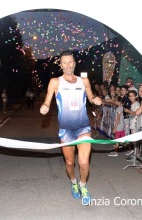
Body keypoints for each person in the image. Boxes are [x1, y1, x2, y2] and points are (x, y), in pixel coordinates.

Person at [40, 50, 102, 205]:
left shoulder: (84, 81)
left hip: (83, 127)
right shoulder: (55, 82)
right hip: (66, 129)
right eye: (64, 62)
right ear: (61, 65)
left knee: (83, 162)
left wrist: (96, 100)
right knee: (69, 163)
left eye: (70, 62)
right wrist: (45, 107)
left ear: (74, 64)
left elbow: (91, 97)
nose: (68, 65)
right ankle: (74, 182)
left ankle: (83, 185)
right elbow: (47, 101)